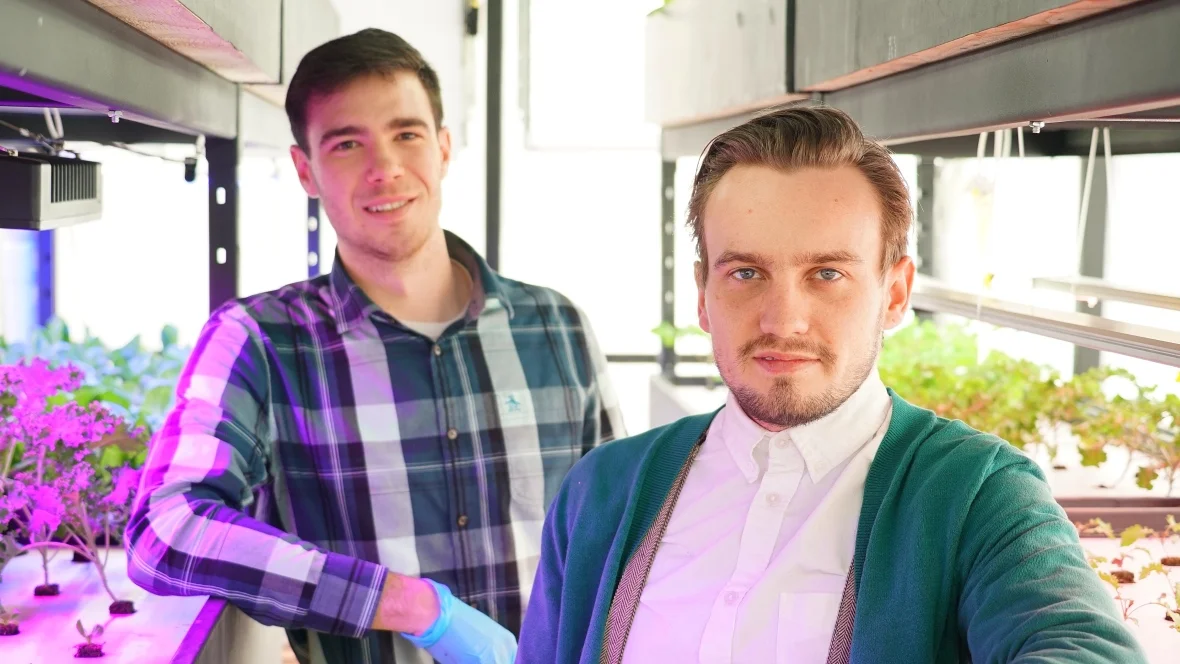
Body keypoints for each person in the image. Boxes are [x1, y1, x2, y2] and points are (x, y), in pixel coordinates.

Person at [516, 106, 1146, 664]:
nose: (782, 319)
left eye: (825, 273)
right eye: (746, 273)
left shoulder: (977, 494)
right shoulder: (601, 491)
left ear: (894, 293)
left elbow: (1085, 645)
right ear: (703, 294)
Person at [124, 28, 624, 664]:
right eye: (346, 143)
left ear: (443, 147)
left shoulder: (557, 328)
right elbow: (166, 532)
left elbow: (621, 534)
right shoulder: (257, 343)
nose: (384, 166)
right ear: (305, 169)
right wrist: (413, 607)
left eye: (406, 134)